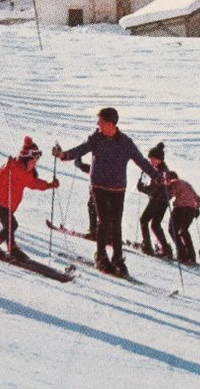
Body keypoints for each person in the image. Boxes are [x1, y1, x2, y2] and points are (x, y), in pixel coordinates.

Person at [54, 107, 154, 277]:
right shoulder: (96, 139)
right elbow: (81, 150)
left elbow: (141, 161)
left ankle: (117, 258)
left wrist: (157, 176)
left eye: (100, 122)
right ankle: (101, 256)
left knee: (116, 224)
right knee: (104, 221)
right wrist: (63, 155)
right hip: (98, 185)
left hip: (117, 187)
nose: (97, 124)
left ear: (110, 124)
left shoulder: (125, 143)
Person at [0, 136, 59, 262]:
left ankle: (12, 248)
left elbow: (34, 183)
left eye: (36, 161)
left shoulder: (24, 171)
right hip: (0, 203)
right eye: (33, 160)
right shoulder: (15, 168)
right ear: (26, 158)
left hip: (6, 204)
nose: (34, 163)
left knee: (9, 226)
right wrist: (6, 168)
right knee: (12, 225)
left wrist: (50, 185)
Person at [136, 142, 174, 258]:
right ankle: (166, 249)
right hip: (163, 201)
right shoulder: (163, 169)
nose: (151, 161)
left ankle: (147, 246)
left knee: (144, 220)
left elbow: (154, 189)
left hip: (157, 200)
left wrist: (142, 188)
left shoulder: (160, 171)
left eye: (152, 159)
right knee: (155, 224)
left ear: (158, 159)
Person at [162, 171, 200, 265]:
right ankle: (191, 255)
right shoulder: (186, 183)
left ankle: (182, 254)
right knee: (183, 230)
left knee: (172, 230)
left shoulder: (174, 182)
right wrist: (196, 208)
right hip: (191, 209)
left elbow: (170, 194)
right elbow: (198, 198)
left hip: (181, 208)